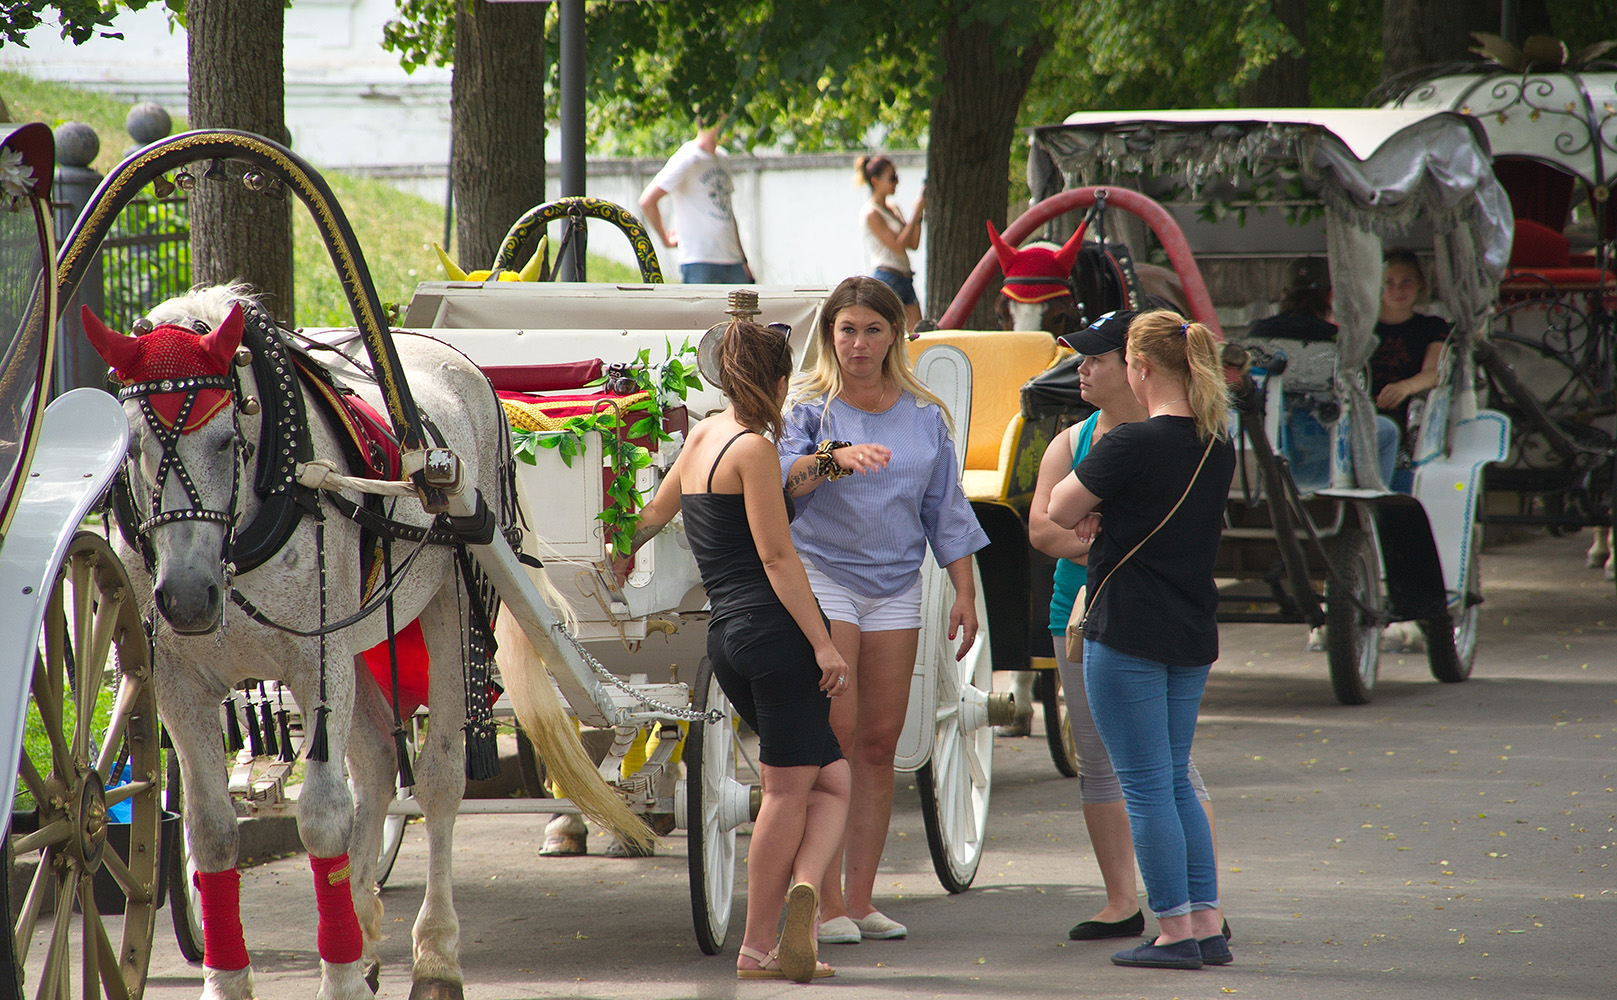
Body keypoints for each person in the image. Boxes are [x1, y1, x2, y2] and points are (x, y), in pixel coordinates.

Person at [616, 320, 848, 982]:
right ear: (778, 383)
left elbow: (654, 515)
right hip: (776, 633)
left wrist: (618, 549)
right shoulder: (749, 449)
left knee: (831, 780)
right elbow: (776, 558)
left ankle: (803, 889)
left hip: (727, 638)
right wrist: (825, 644)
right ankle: (757, 946)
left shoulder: (699, 439)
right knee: (785, 792)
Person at [777, 276, 989, 946]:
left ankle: (861, 899)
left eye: (872, 329)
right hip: (825, 574)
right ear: (829, 334)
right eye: (846, 330)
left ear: (895, 334)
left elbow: (945, 510)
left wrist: (964, 590)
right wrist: (834, 460)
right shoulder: (809, 408)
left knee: (878, 743)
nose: (858, 344)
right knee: (836, 738)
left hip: (897, 583)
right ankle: (824, 899)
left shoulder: (925, 415)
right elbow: (784, 484)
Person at [1047, 309, 1236, 971]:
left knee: (1146, 789)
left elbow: (1057, 511)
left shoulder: (1127, 444)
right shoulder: (1217, 443)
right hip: (1188, 628)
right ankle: (1205, 922)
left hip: (1125, 625)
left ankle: (1174, 932)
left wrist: (1102, 507)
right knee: (1177, 784)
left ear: (1141, 368)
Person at [1247, 257, 1400, 485]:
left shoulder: (1257, 333)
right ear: (1331, 295)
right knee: (1388, 430)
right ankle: (1376, 507)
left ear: (1286, 293)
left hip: (1268, 452)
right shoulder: (1338, 340)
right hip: (1325, 455)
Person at [638, 120, 752, 285]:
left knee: (745, 310)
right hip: (699, 259)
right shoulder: (687, 157)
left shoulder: (723, 157)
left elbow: (727, 212)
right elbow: (647, 201)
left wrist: (743, 261)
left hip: (732, 260)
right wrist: (665, 239)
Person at [1370, 249, 1448, 487]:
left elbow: (1434, 371)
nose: (1398, 290)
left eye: (1406, 282)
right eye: (1389, 283)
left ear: (1420, 285)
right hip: (1365, 407)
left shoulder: (1431, 327)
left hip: (1405, 412)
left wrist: (1405, 387)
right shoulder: (1364, 329)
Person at [855, 154, 925, 332]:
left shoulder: (893, 208)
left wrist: (918, 216)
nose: (896, 183)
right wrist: (916, 211)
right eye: (892, 178)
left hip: (905, 277)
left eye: (897, 177)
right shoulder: (871, 213)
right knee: (889, 335)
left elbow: (913, 244)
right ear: (875, 181)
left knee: (917, 335)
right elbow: (898, 246)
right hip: (888, 278)